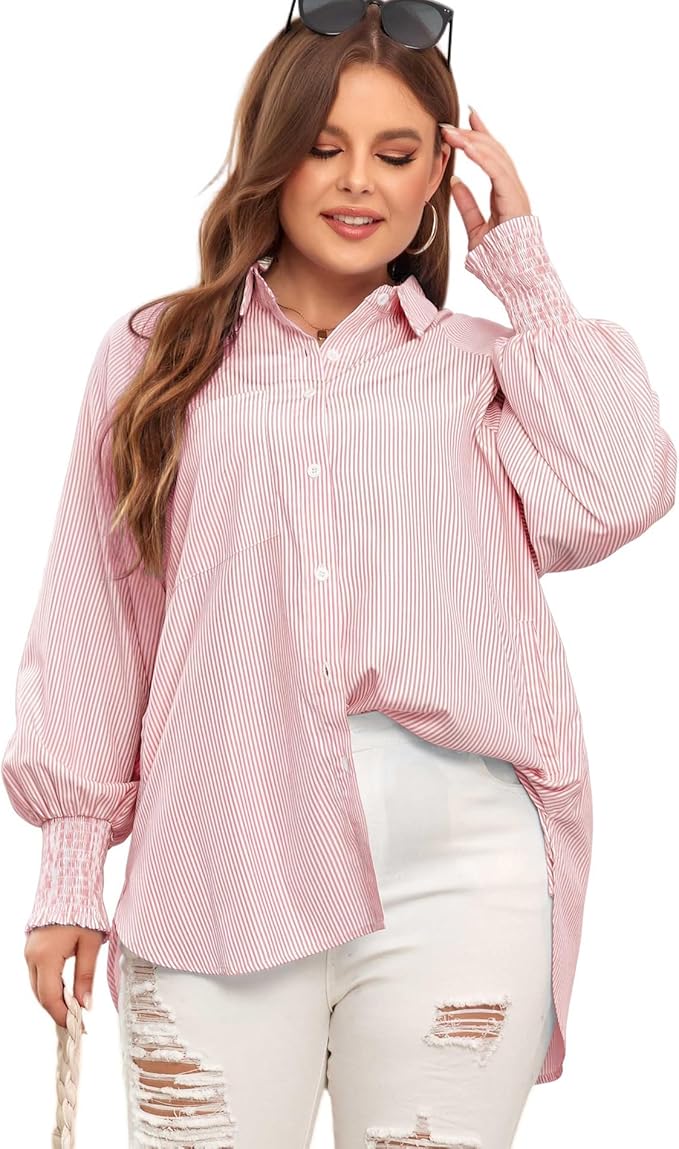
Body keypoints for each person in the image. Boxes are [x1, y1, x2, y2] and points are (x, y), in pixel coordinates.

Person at [2, 2, 676, 1147]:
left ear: (438, 176)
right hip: (216, 856)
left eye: (396, 153)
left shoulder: (488, 370)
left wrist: (524, 269)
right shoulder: (155, 359)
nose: (357, 181)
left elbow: (624, 486)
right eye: (323, 146)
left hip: (465, 875)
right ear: (273, 156)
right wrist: (70, 868)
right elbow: (99, 617)